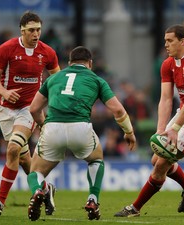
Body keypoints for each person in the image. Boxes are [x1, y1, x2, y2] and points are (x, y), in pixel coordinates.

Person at [114, 24, 184, 217]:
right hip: (182, 116)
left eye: (170, 41)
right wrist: (161, 129)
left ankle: (134, 208)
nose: (166, 44)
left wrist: (175, 128)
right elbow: (166, 98)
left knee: (161, 164)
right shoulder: (168, 64)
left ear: (183, 41)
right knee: (156, 158)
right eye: (165, 41)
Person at [27, 46, 137, 221]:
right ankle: (93, 199)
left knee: (35, 171)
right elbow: (118, 110)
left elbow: (33, 109)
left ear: (69, 63)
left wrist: (43, 125)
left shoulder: (54, 78)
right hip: (80, 127)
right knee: (96, 158)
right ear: (90, 63)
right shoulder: (96, 80)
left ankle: (39, 190)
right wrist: (129, 132)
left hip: (53, 127)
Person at [0, 11, 60, 217]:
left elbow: (57, 81)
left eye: (38, 30)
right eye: (31, 30)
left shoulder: (48, 52)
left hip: (29, 110)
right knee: (25, 161)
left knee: (13, 149)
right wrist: (4, 92)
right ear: (22, 30)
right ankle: (45, 189)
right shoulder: (7, 48)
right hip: (6, 110)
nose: (36, 34)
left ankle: (0, 202)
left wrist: (50, 105)